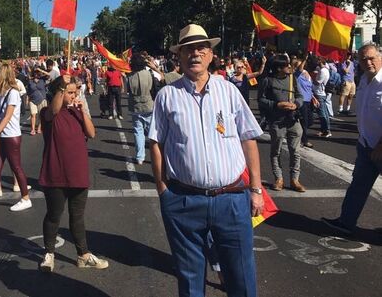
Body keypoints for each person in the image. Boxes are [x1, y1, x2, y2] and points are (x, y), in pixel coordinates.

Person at [148, 24, 264, 297]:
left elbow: (249, 139)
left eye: (201, 48)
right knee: (190, 280)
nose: (195, 54)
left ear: (211, 55)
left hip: (232, 198)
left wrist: (256, 189)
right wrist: (163, 191)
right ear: (179, 56)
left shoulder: (229, 91)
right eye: (188, 49)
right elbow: (156, 143)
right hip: (184, 201)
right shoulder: (167, 95)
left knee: (242, 278)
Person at [39, 75, 108, 272]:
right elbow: (53, 110)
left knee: (77, 217)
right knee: (54, 215)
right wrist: (62, 87)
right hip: (56, 173)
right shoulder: (49, 113)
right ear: (59, 93)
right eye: (69, 92)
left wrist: (82, 110)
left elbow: (92, 133)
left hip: (77, 172)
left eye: (74, 92)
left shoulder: (76, 111)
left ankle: (83, 254)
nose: (74, 95)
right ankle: (49, 253)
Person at [322, 44, 382, 235]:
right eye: (364, 59)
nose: (368, 62)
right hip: (366, 144)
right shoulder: (364, 80)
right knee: (358, 185)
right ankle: (346, 222)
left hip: (380, 146)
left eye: (372, 58)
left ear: (380, 57)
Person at [0, 64, 32, 213]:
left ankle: (26, 198)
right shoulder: (3, 92)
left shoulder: (13, 92)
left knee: (16, 167)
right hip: (3, 135)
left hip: (11, 135)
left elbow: (8, 115)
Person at [258, 55, 305, 192]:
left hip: (293, 120)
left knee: (295, 151)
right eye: (287, 65)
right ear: (279, 68)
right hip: (276, 122)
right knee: (276, 151)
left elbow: (300, 96)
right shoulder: (268, 81)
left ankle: (294, 180)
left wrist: (296, 104)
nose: (290, 67)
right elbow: (261, 100)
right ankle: (279, 179)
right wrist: (277, 104)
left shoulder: (292, 79)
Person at [127, 54, 153, 165]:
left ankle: (139, 157)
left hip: (135, 105)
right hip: (148, 104)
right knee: (152, 132)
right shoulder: (148, 74)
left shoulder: (130, 76)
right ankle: (155, 154)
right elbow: (151, 87)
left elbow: (128, 90)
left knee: (138, 132)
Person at [293, 54, 315, 148]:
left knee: (310, 120)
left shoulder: (307, 73)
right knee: (305, 121)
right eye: (298, 64)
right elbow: (300, 69)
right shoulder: (297, 74)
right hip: (302, 100)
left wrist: (314, 98)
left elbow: (309, 88)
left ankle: (296, 129)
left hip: (309, 100)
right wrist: (305, 59)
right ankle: (304, 140)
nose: (300, 65)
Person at [312, 57, 332, 138]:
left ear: (321, 61)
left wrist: (312, 78)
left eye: (318, 60)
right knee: (324, 113)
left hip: (319, 93)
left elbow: (318, 82)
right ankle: (325, 130)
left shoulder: (323, 71)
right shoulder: (324, 69)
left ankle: (326, 130)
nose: (317, 61)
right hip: (320, 92)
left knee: (322, 113)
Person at [27, 68, 48, 135]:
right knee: (33, 114)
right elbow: (28, 91)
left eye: (37, 72)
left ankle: (39, 128)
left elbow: (49, 75)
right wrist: (27, 99)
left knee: (41, 115)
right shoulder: (30, 81)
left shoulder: (42, 79)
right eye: (35, 72)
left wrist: (41, 70)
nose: (36, 74)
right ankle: (33, 129)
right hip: (32, 100)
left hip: (42, 99)